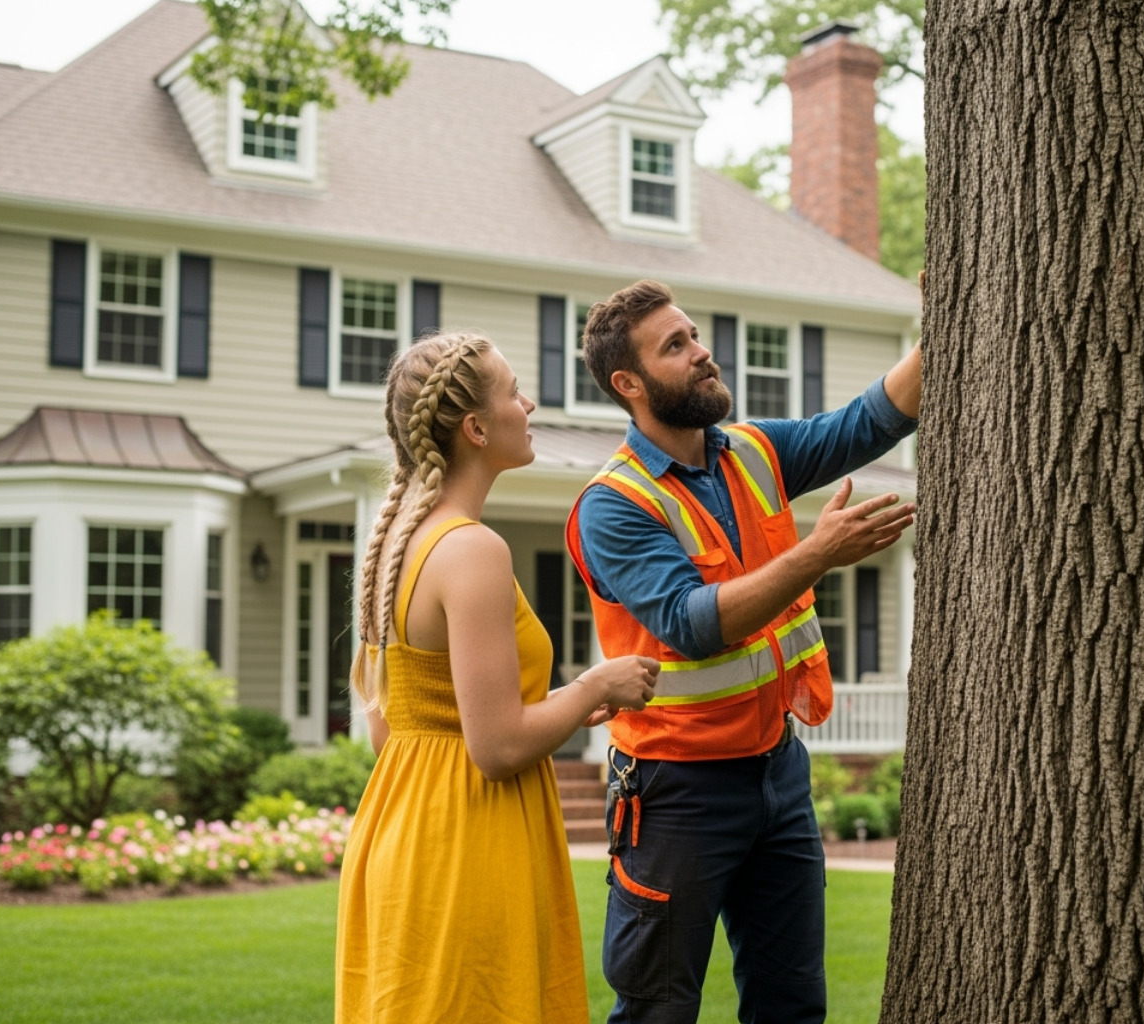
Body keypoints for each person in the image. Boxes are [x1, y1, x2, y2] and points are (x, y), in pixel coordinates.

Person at [566, 280, 921, 1023]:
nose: (702, 353)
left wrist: (945, 327)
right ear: (629, 384)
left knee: (792, 1005)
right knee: (659, 1011)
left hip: (777, 773)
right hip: (675, 792)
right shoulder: (612, 505)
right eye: (676, 346)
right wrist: (817, 554)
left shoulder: (755, 452)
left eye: (694, 335)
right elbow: (691, 622)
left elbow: (868, 421)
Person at [335, 331, 660, 1024]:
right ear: (476, 429)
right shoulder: (471, 549)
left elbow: (396, 729)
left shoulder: (395, 545)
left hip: (400, 837)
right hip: (469, 850)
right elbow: (497, 747)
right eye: (514, 393)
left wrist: (559, 706)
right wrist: (596, 686)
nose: (530, 404)